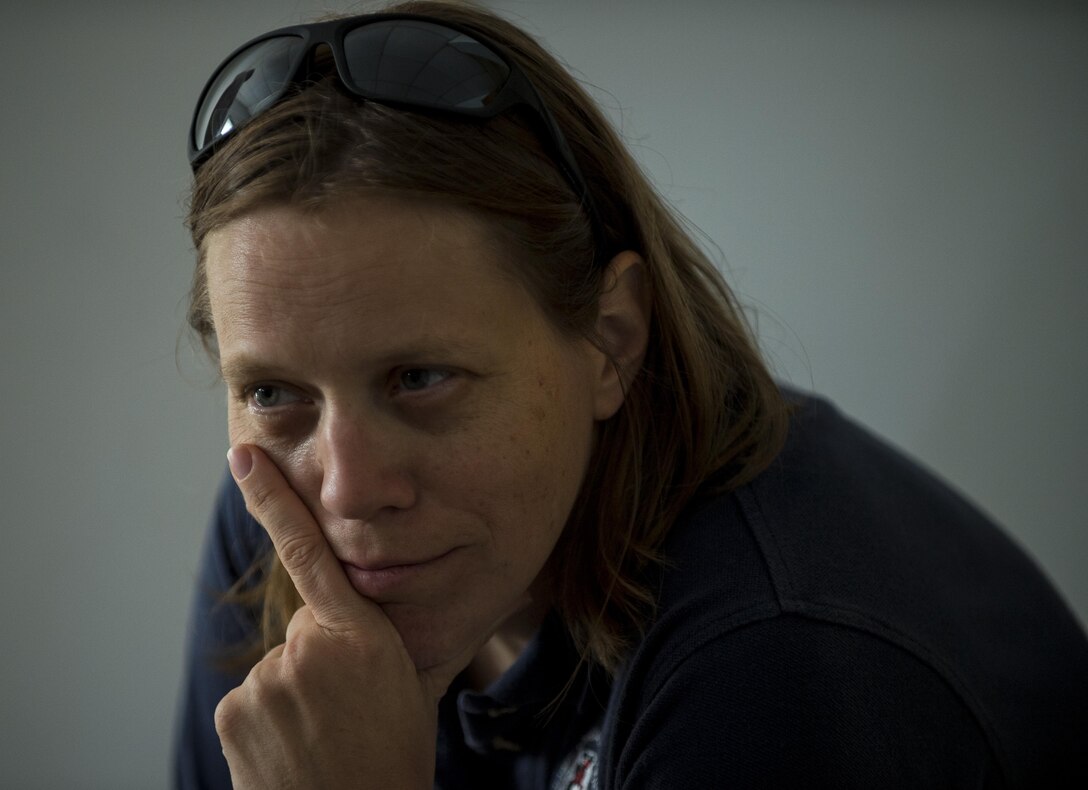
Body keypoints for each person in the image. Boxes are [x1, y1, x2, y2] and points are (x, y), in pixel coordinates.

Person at [173, 2, 1088, 787]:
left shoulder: (778, 671)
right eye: (273, 391)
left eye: (420, 379)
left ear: (611, 342)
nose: (345, 489)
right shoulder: (275, 516)